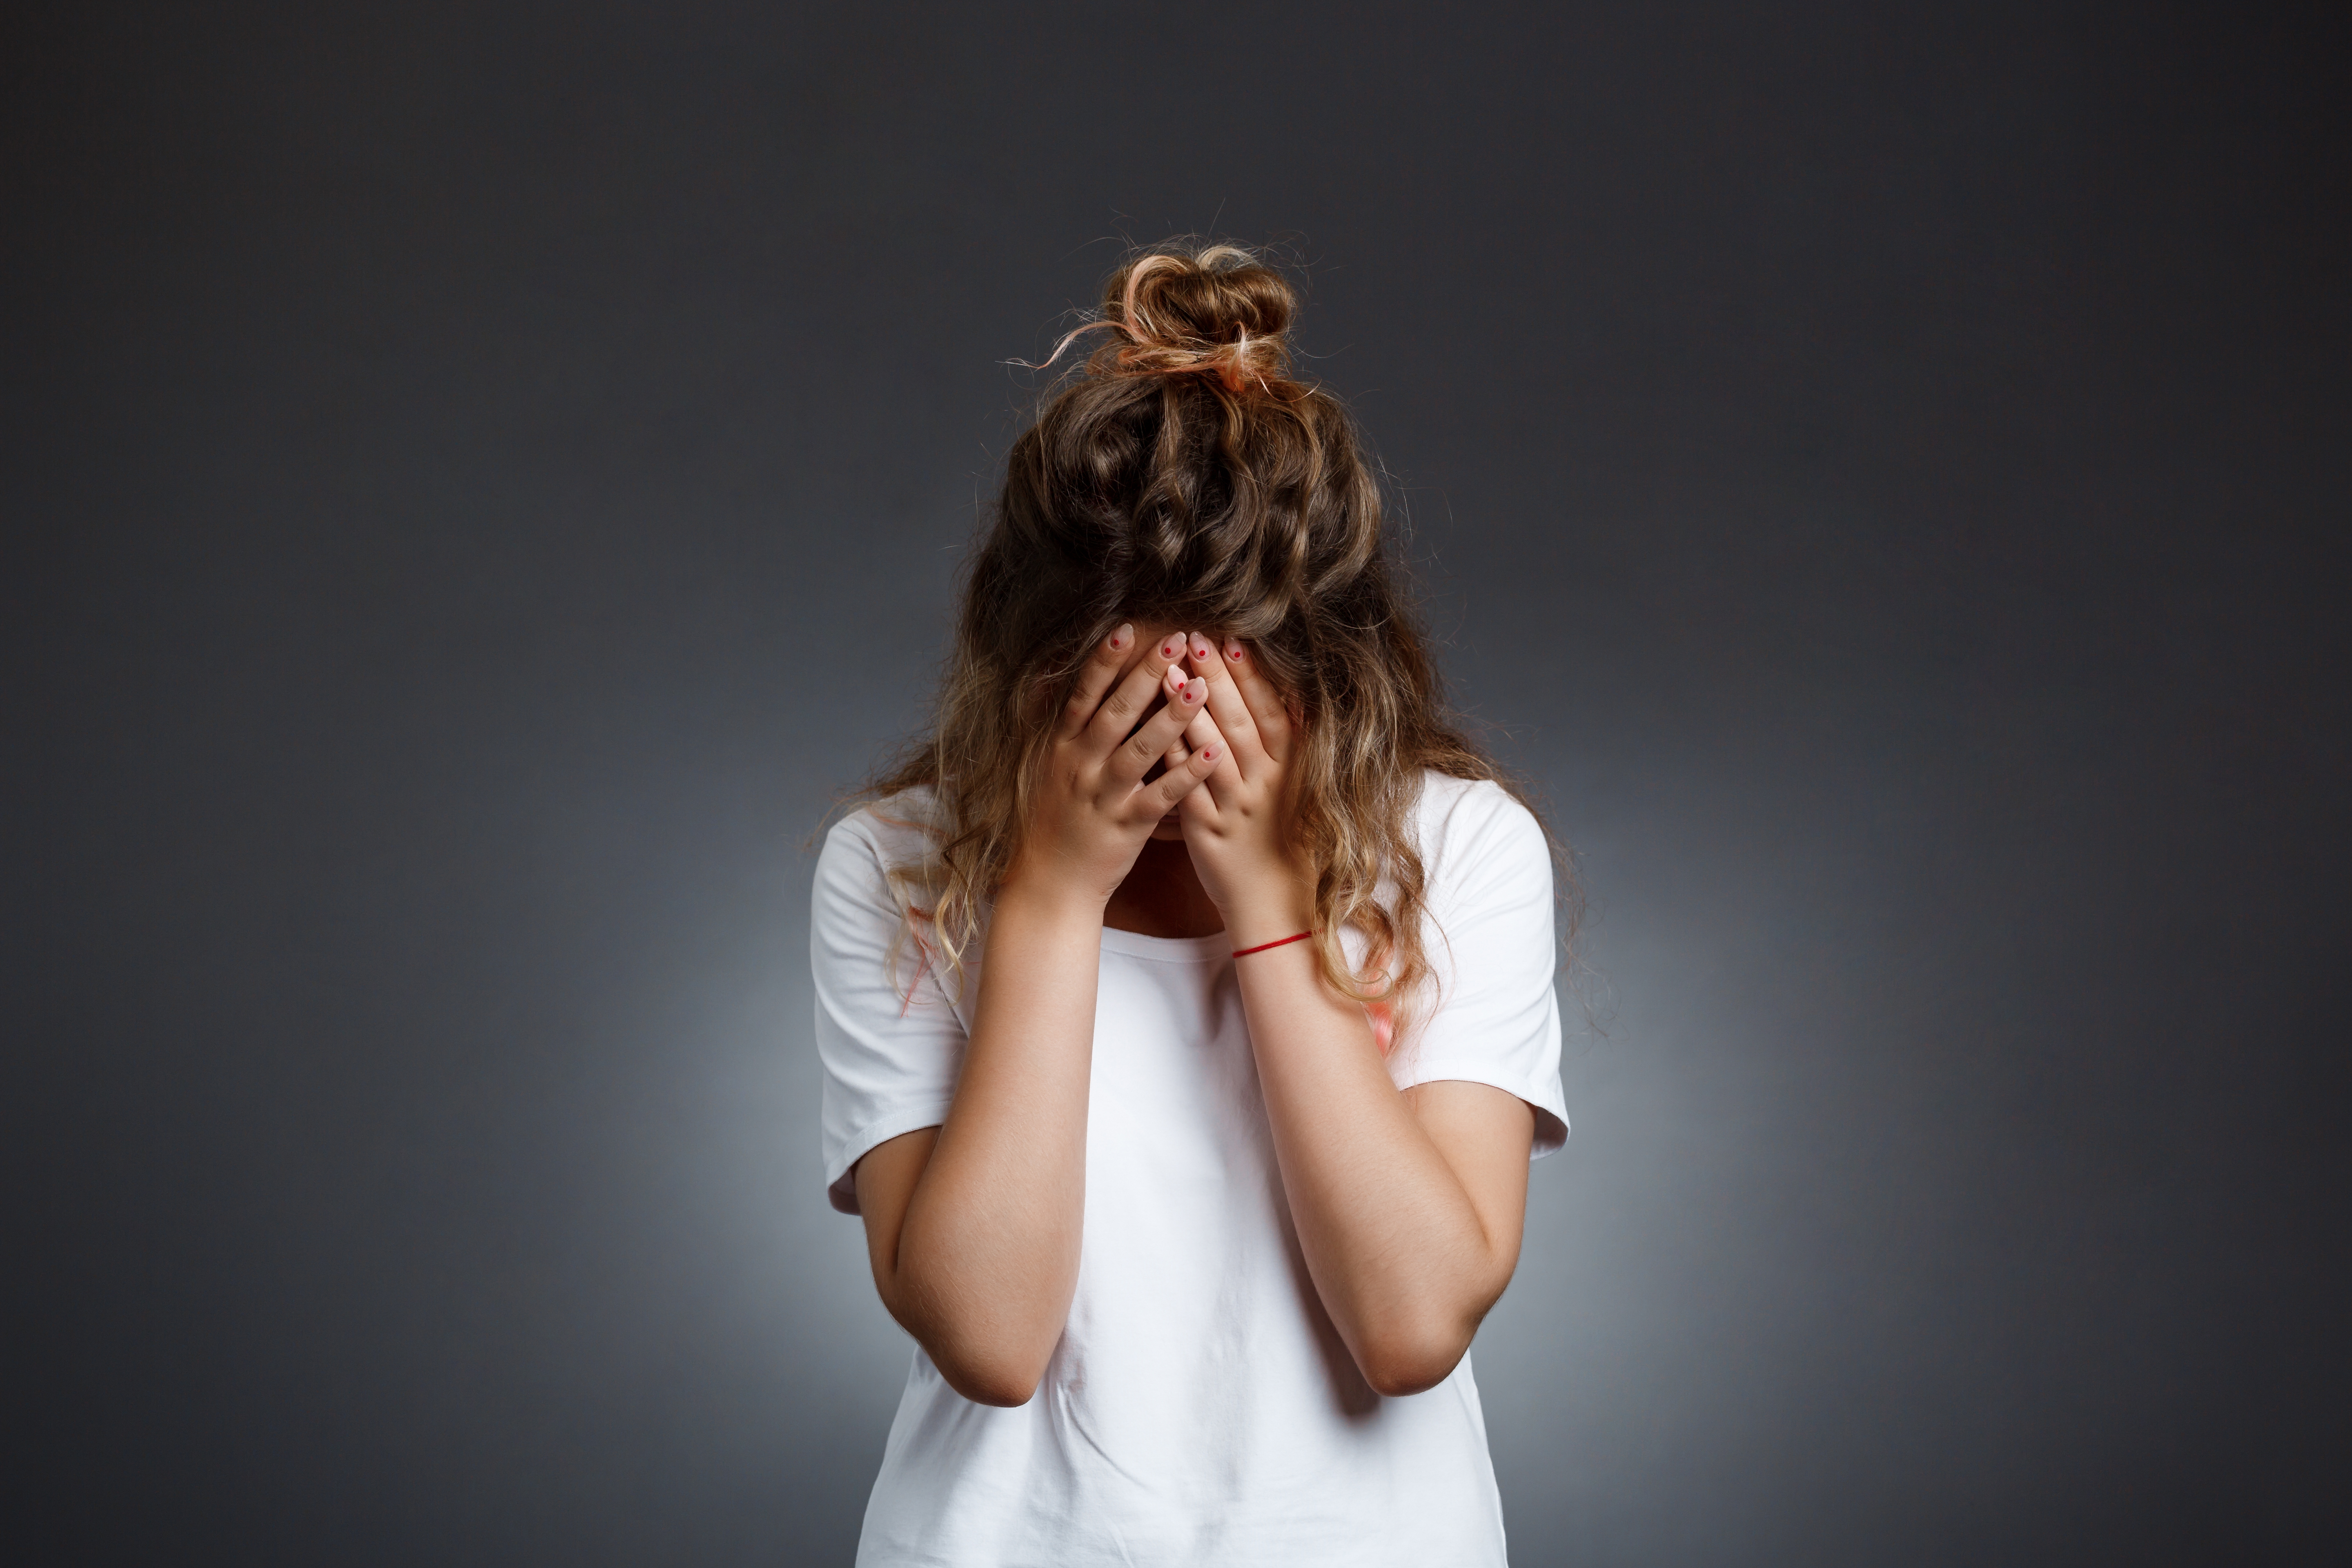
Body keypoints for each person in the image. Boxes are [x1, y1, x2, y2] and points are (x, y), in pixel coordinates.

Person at [812, 241, 1570, 1567]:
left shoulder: (1456, 851)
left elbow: (1412, 1325)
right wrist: (1049, 896)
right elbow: (991, 1340)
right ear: (1029, 656)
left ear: (1323, 661)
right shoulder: (901, 864)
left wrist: (1273, 902)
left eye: (1218, 686)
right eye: (1117, 684)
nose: (1174, 730)